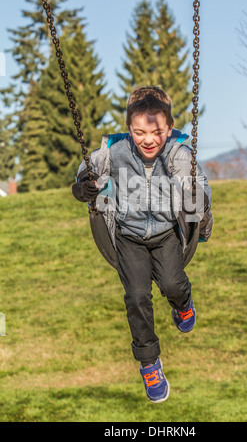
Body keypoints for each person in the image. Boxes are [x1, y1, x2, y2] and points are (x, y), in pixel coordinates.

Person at [72, 86, 213, 403]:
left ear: (169, 127)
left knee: (173, 284)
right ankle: (149, 362)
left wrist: (196, 199)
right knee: (136, 297)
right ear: (129, 128)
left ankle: (183, 304)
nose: (148, 139)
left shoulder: (177, 151)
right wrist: (85, 184)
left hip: (165, 234)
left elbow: (195, 180)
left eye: (157, 131)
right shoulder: (115, 149)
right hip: (128, 236)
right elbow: (90, 168)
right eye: (139, 132)